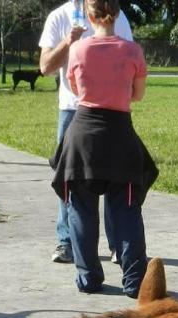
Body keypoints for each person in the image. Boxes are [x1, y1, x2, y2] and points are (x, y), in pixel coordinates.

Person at [53, 0, 155, 297]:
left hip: (82, 136)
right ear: (118, 13)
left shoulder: (77, 50)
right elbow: (137, 95)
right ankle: (135, 281)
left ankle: (88, 278)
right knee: (126, 210)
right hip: (119, 135)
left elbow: (75, 90)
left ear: (89, 14)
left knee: (81, 209)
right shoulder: (133, 51)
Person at [39, 0, 133, 265]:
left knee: (115, 176)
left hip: (113, 112)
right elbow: (45, 67)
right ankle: (67, 242)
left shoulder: (119, 15)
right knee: (70, 180)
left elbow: (128, 57)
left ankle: (117, 245)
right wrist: (68, 43)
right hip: (73, 111)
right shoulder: (60, 17)